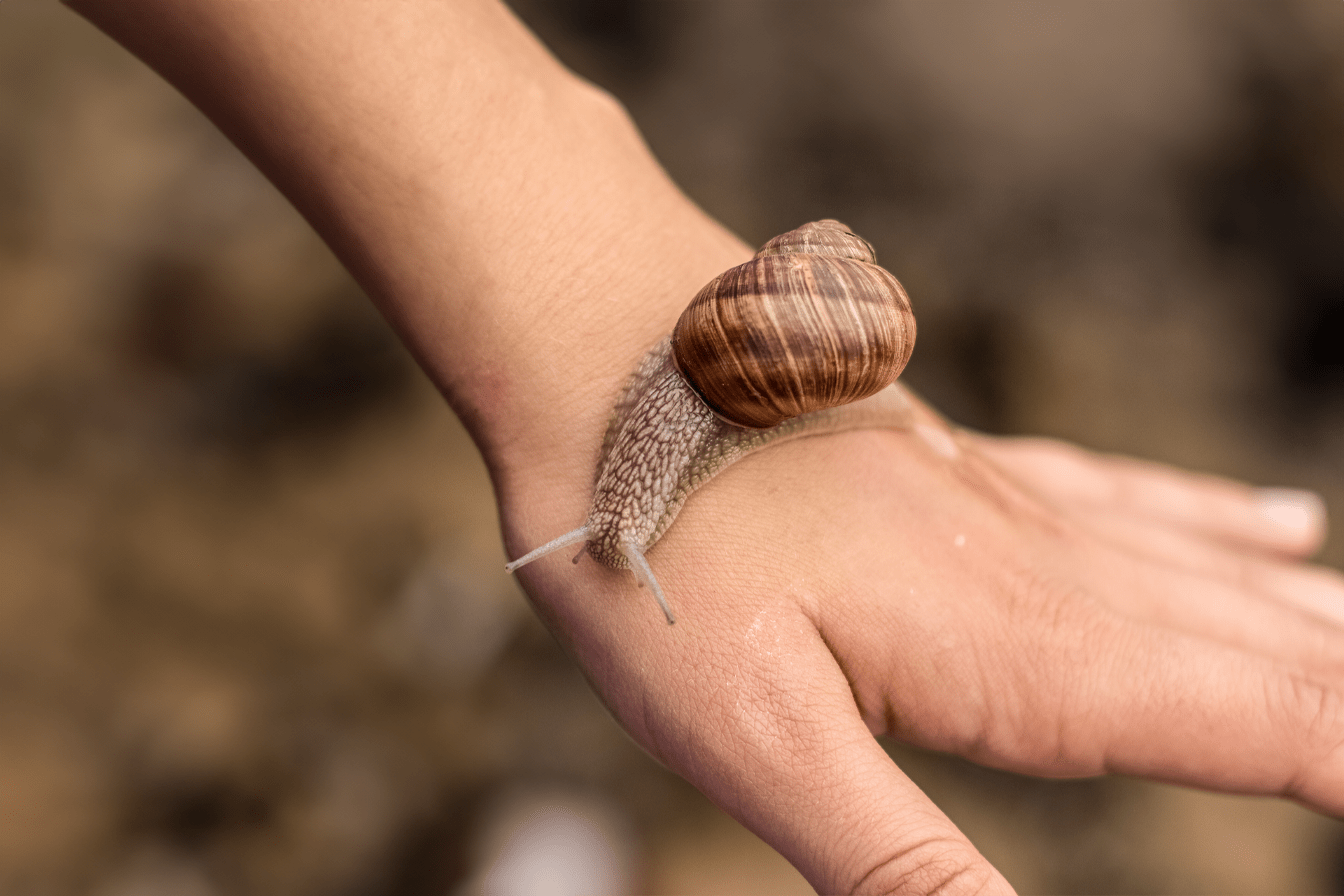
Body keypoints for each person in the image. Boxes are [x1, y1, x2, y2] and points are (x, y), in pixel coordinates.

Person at [60, 1, 1344, 893]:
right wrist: (567, 251)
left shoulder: (751, 370)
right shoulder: (694, 383)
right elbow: (677, 373)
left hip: (763, 362)